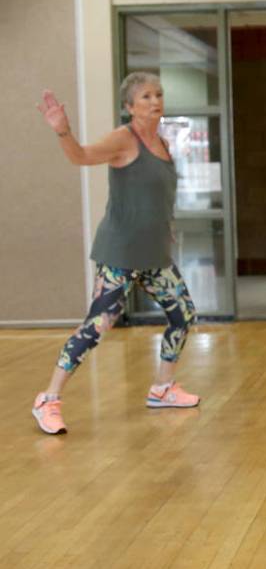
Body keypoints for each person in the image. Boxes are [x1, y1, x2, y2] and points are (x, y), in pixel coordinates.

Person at [31, 74, 199, 435]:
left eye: (158, 94)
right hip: (120, 255)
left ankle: (163, 388)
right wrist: (63, 131)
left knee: (183, 315)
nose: (155, 101)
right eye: (145, 97)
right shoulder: (124, 139)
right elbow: (81, 157)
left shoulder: (164, 143)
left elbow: (158, 197)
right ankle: (48, 399)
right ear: (129, 107)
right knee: (97, 326)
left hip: (154, 256)